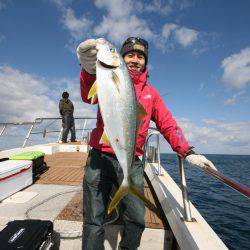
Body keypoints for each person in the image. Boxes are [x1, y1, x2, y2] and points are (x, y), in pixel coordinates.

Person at [76, 37, 217, 250]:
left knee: (137, 219)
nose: (135, 60)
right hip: (99, 156)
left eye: (140, 56)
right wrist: (88, 70)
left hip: (131, 161)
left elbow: (168, 124)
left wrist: (187, 152)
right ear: (121, 59)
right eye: (130, 55)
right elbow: (89, 95)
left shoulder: (152, 94)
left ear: (145, 61)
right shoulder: (105, 76)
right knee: (93, 220)